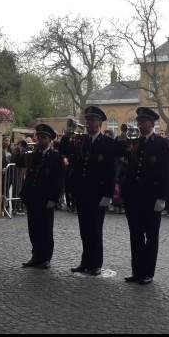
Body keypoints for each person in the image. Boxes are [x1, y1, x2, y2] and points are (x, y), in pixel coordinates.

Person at [121, 107, 169, 284]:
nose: (141, 124)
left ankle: (148, 272)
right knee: (135, 235)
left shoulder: (161, 144)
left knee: (151, 236)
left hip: (151, 198)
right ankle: (137, 271)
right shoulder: (135, 143)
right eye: (139, 122)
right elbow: (129, 170)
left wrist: (162, 198)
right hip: (134, 198)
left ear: (151, 123)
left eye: (144, 121)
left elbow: (166, 173)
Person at [66, 106, 115, 276]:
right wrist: (68, 133)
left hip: (98, 194)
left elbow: (111, 170)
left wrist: (108, 194)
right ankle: (85, 261)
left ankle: (96, 263)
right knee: (84, 229)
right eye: (87, 120)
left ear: (99, 123)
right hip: (82, 192)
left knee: (95, 230)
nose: (88, 123)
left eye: (92, 120)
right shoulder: (82, 141)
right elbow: (67, 152)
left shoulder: (107, 143)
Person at [19, 124, 63, 269]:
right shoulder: (35, 154)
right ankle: (36, 256)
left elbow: (58, 180)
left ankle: (46, 258)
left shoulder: (56, 156)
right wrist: (24, 195)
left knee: (45, 230)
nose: (41, 140)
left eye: (44, 138)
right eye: (39, 137)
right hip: (33, 197)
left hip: (46, 199)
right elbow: (30, 175)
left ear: (50, 140)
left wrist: (53, 198)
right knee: (33, 228)